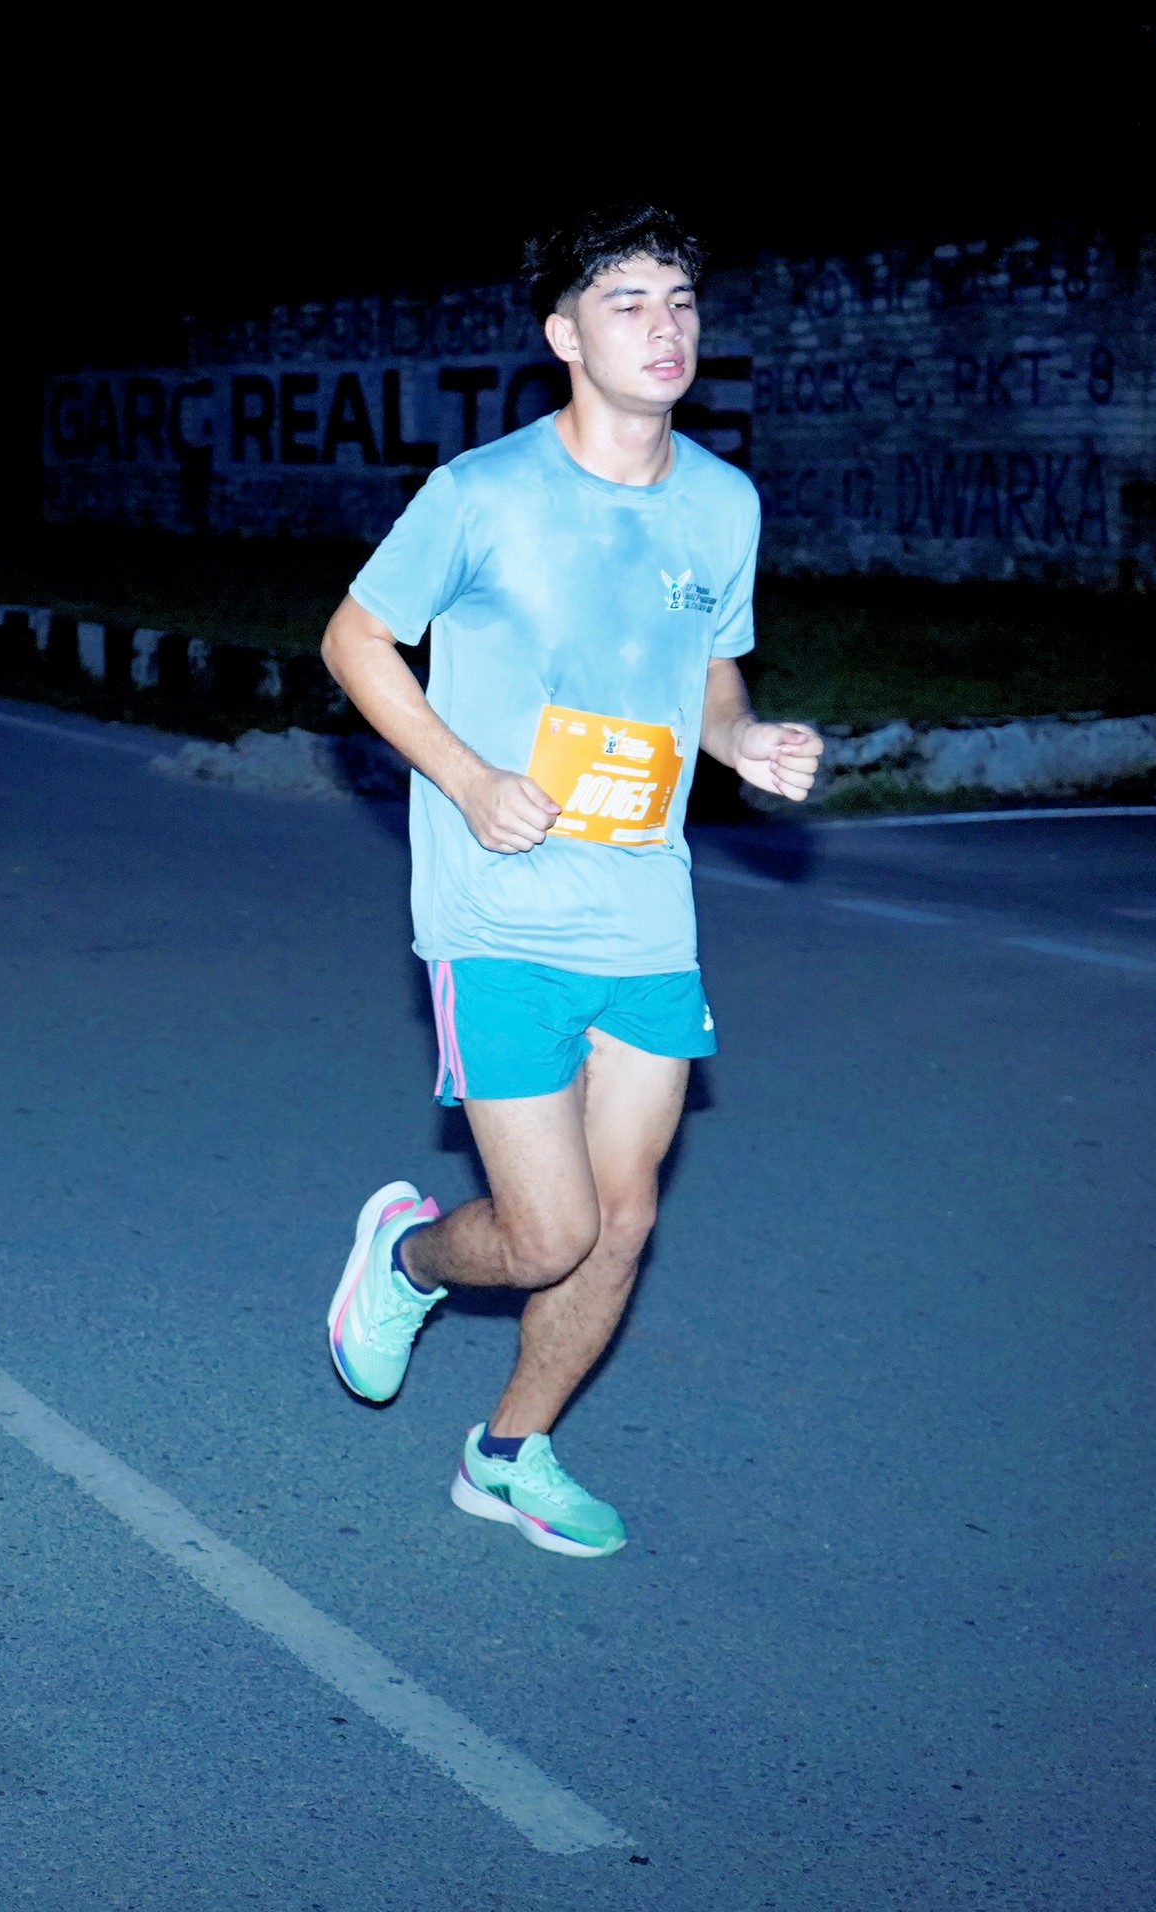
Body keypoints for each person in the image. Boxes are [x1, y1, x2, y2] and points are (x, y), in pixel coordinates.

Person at [318, 206, 822, 1559]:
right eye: (627, 304)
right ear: (564, 337)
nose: (666, 328)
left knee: (623, 1219)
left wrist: (742, 741)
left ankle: (509, 1451)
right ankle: (408, 1260)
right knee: (547, 1233)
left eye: (681, 302)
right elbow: (355, 639)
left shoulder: (723, 505)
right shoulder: (482, 494)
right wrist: (469, 777)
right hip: (499, 909)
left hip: (647, 909)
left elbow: (710, 669)